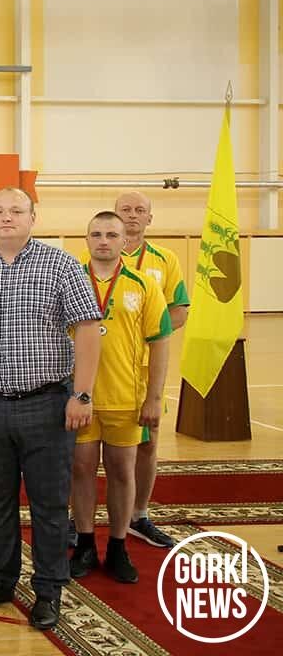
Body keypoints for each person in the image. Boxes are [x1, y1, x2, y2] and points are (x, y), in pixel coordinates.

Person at [0, 187, 101, 631]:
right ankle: (0, 579)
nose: (6, 217)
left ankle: (49, 588)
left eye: (16, 210)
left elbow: (88, 328)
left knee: (49, 504)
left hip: (47, 404)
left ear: (33, 217)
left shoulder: (61, 265)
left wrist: (82, 394)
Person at [71, 212, 171, 585]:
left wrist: (153, 397)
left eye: (111, 234)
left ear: (123, 240)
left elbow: (160, 342)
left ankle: (117, 546)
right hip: (80, 397)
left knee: (121, 471)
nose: (103, 241)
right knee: (81, 469)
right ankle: (84, 543)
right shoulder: (71, 279)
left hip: (125, 397)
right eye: (96, 234)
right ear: (86, 239)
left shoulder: (143, 284)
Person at [114, 191, 190, 549]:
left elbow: (180, 311)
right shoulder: (90, 257)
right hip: (104, 367)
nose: (132, 215)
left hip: (146, 369)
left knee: (148, 441)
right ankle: (77, 519)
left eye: (139, 210)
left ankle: (139, 515)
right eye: (125, 210)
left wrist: (145, 332)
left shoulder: (165, 259)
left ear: (149, 218)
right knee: (85, 449)